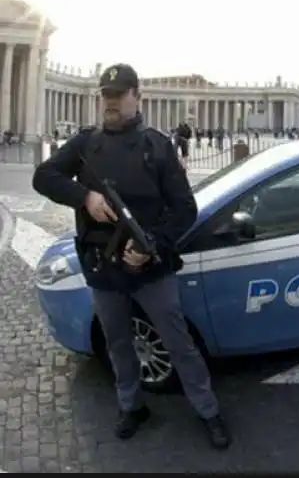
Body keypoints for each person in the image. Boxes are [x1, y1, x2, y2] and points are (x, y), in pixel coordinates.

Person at [31, 63, 231, 450]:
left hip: (151, 267)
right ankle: (131, 405)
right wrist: (84, 197)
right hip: (102, 266)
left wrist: (149, 244)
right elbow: (43, 176)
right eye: (105, 95)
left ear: (136, 96)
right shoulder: (85, 145)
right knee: (118, 342)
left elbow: (185, 209)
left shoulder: (157, 145)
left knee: (178, 342)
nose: (110, 102)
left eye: (118, 95)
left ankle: (207, 410)